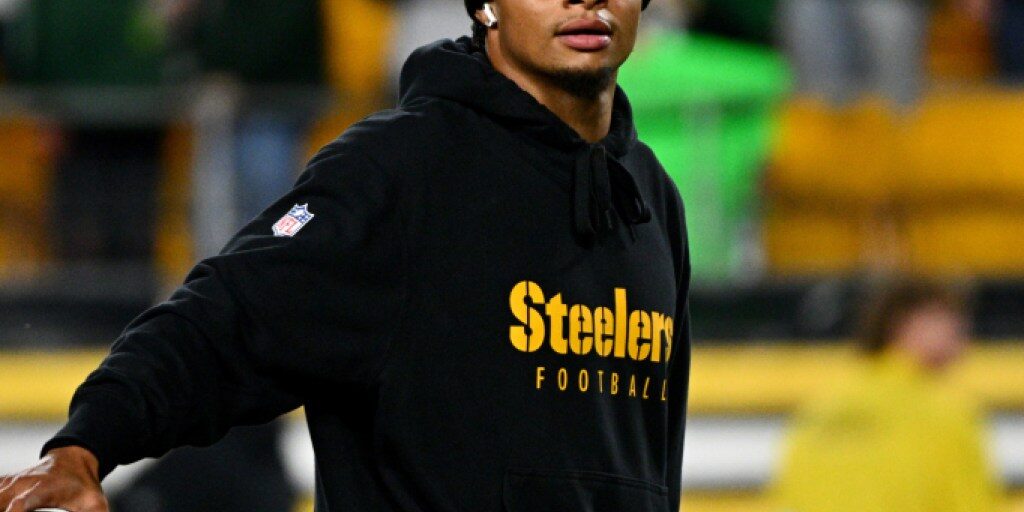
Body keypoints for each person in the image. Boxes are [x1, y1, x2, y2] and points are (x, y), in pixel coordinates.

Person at [0, 0, 692, 511]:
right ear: (485, 4)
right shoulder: (398, 170)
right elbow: (226, 315)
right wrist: (87, 445)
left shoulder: (652, 197)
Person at [770, 280, 1002, 512]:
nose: (963, 334)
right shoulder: (944, 412)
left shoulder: (820, 408)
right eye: (952, 322)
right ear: (911, 323)